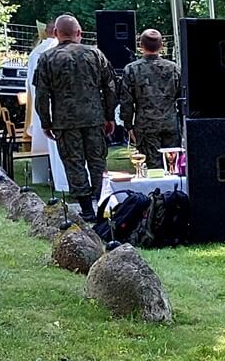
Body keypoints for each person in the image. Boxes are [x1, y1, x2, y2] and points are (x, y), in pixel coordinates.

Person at [33, 15, 117, 219]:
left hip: (65, 122)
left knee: (74, 163)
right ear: (79, 33)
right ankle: (102, 207)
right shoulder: (95, 54)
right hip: (94, 119)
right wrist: (109, 115)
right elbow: (110, 87)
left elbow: (41, 95)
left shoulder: (47, 58)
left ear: (55, 33)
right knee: (97, 162)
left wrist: (46, 122)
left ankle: (86, 209)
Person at [119, 29, 181, 167]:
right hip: (170, 125)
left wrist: (128, 126)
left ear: (141, 45)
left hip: (145, 126)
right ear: (161, 46)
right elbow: (182, 98)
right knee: (173, 167)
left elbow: (126, 101)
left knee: (152, 169)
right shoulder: (174, 69)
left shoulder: (131, 69)